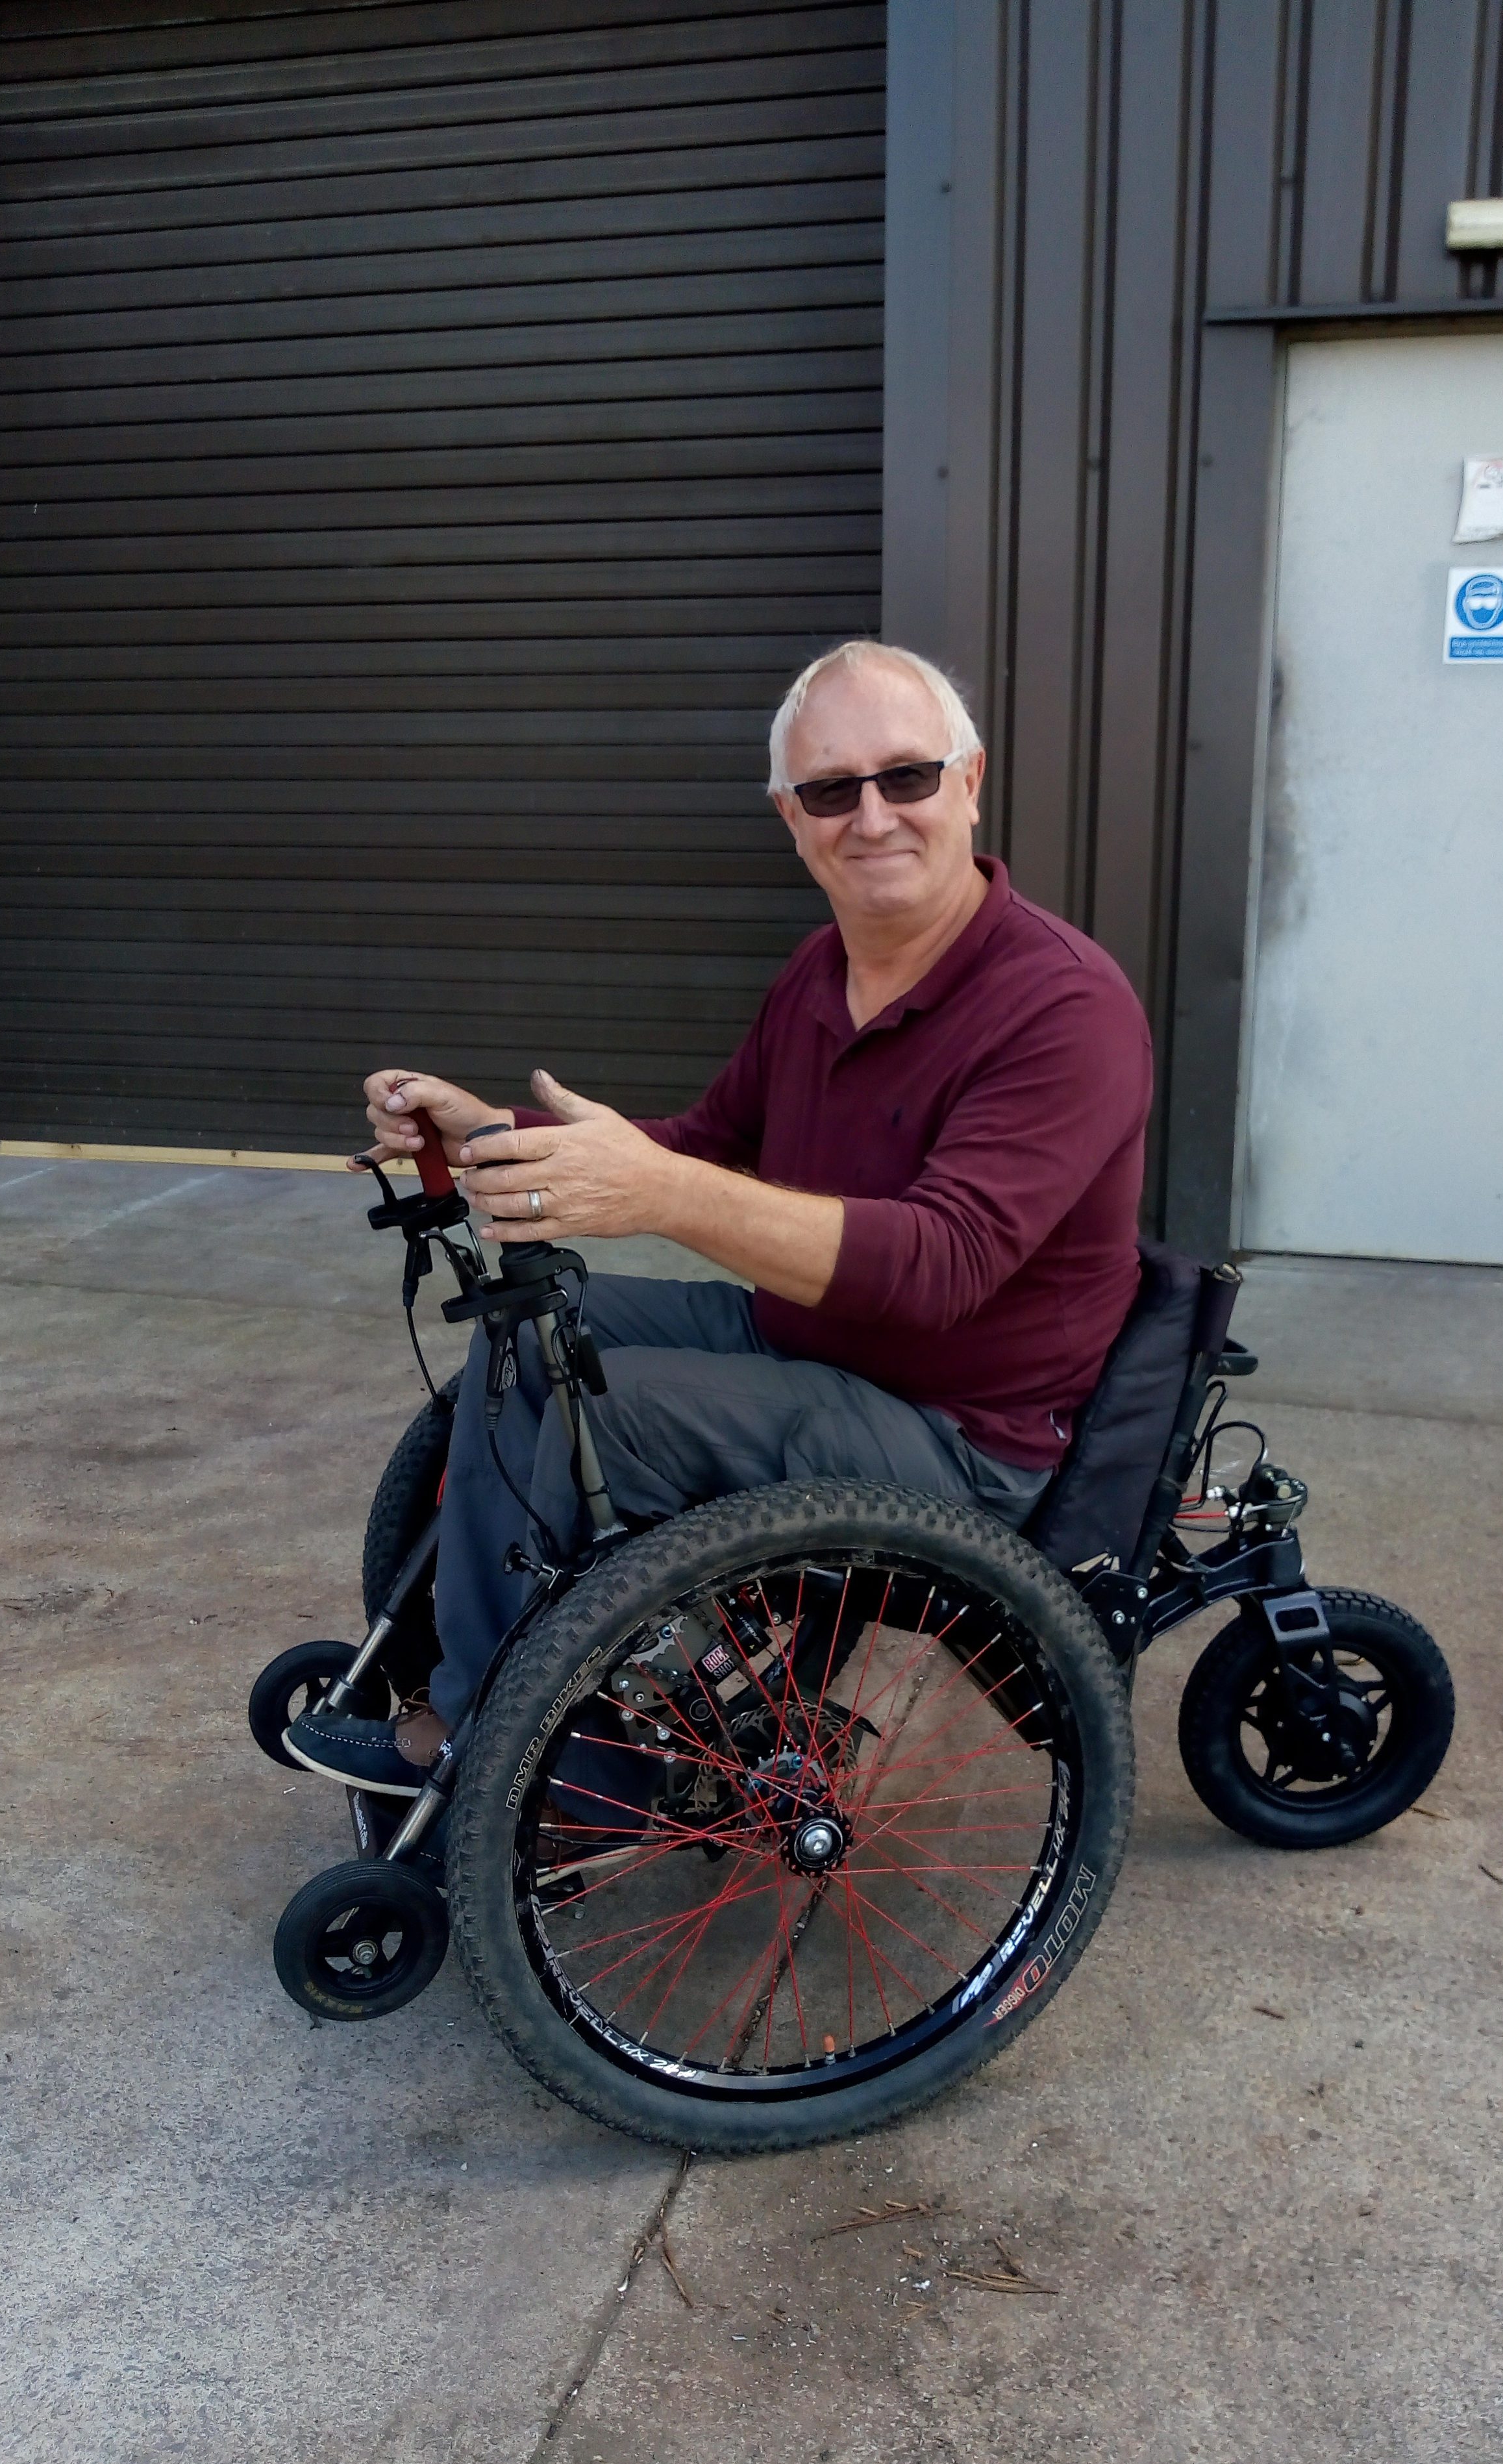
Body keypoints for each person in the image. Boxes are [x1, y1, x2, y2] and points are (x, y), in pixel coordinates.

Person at [283, 640, 1154, 1796]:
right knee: (528, 1335)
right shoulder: (818, 972)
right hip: (807, 1344)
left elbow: (942, 1264)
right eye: (832, 791)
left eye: (908, 776)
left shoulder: (1065, 1006)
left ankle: (513, 1759)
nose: (874, 816)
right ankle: (474, 1694)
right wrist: (487, 1132)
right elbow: (703, 1141)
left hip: (962, 1432)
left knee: (617, 1413)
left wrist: (663, 1198)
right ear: (793, 820)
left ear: (971, 782)